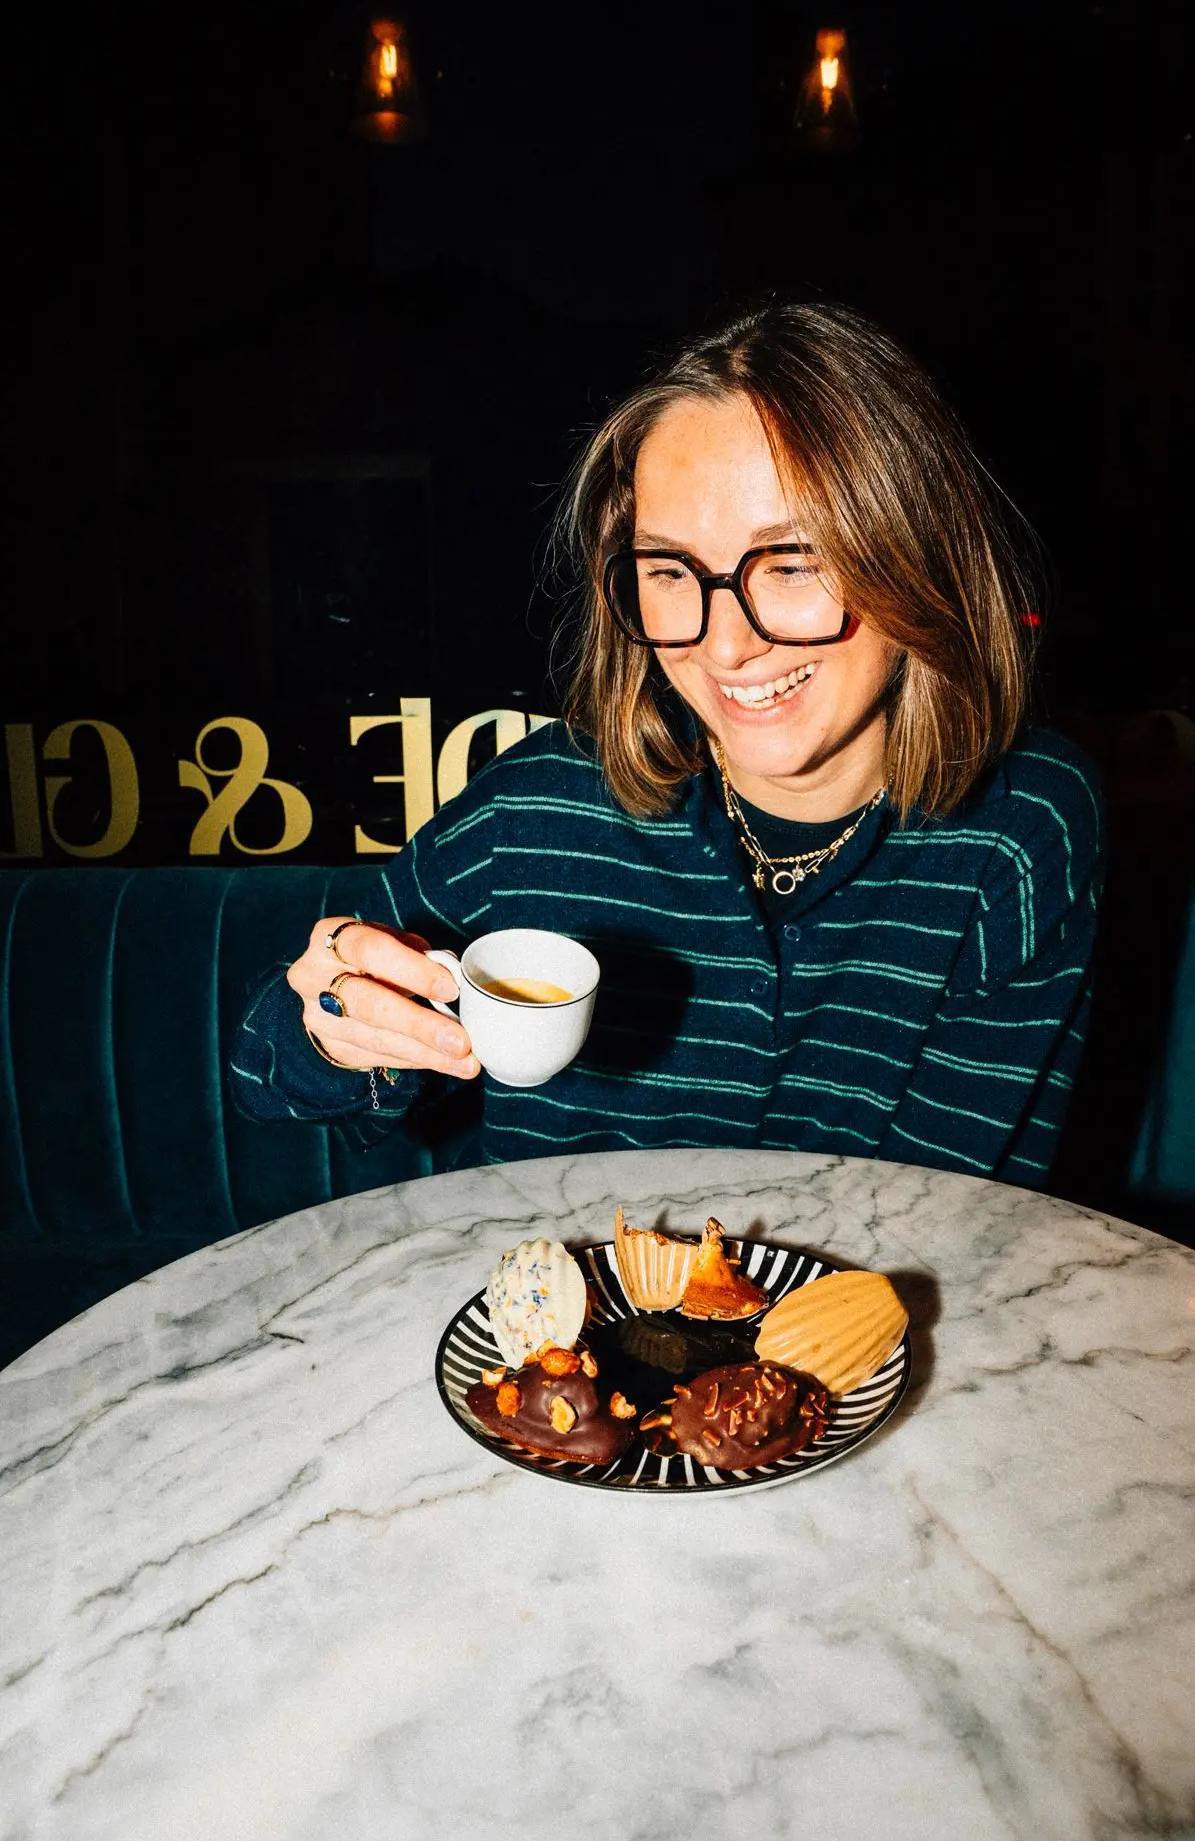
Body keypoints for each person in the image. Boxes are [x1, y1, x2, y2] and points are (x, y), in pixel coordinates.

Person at [232, 300, 1103, 1182]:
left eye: (793, 563)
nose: (725, 644)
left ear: (915, 557)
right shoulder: (540, 806)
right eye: (670, 570)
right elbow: (264, 1073)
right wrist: (331, 1029)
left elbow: (959, 1213)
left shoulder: (1021, 827)